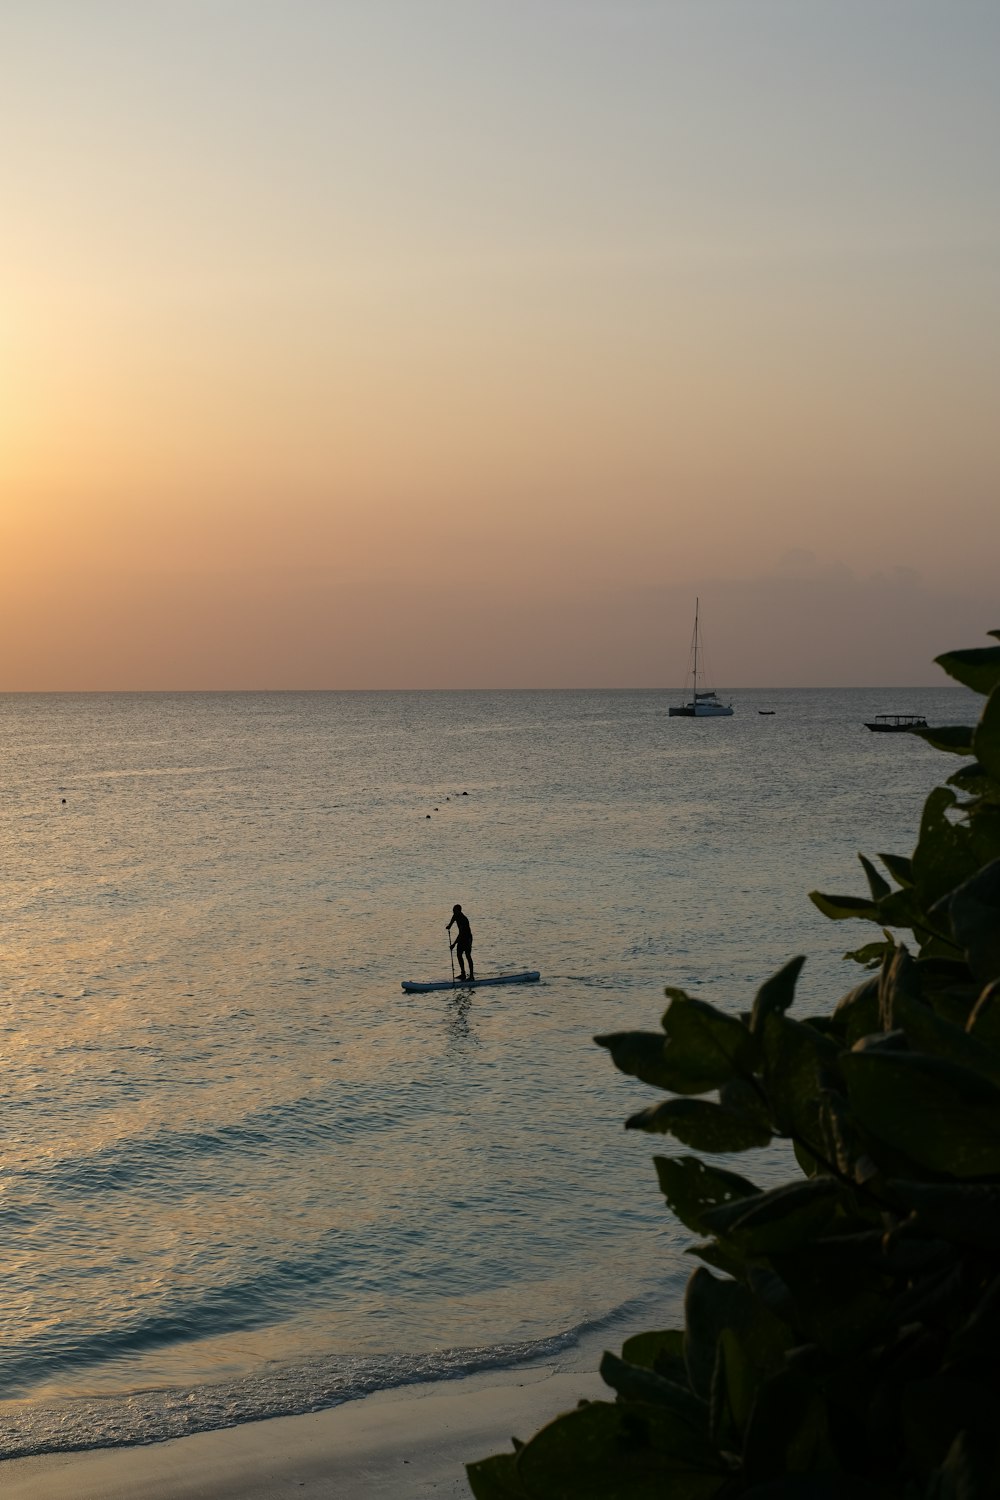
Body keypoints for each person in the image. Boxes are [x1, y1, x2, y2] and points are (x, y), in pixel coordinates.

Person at [446, 904, 475, 981]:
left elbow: (461, 934)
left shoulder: (464, 919)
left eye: (455, 911)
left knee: (467, 955)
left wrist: (454, 944)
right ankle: (463, 974)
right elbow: (452, 920)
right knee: (459, 955)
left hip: (467, 938)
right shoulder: (455, 915)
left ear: (459, 911)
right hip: (462, 938)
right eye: (453, 911)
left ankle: (471, 976)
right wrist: (449, 926)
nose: (453, 913)